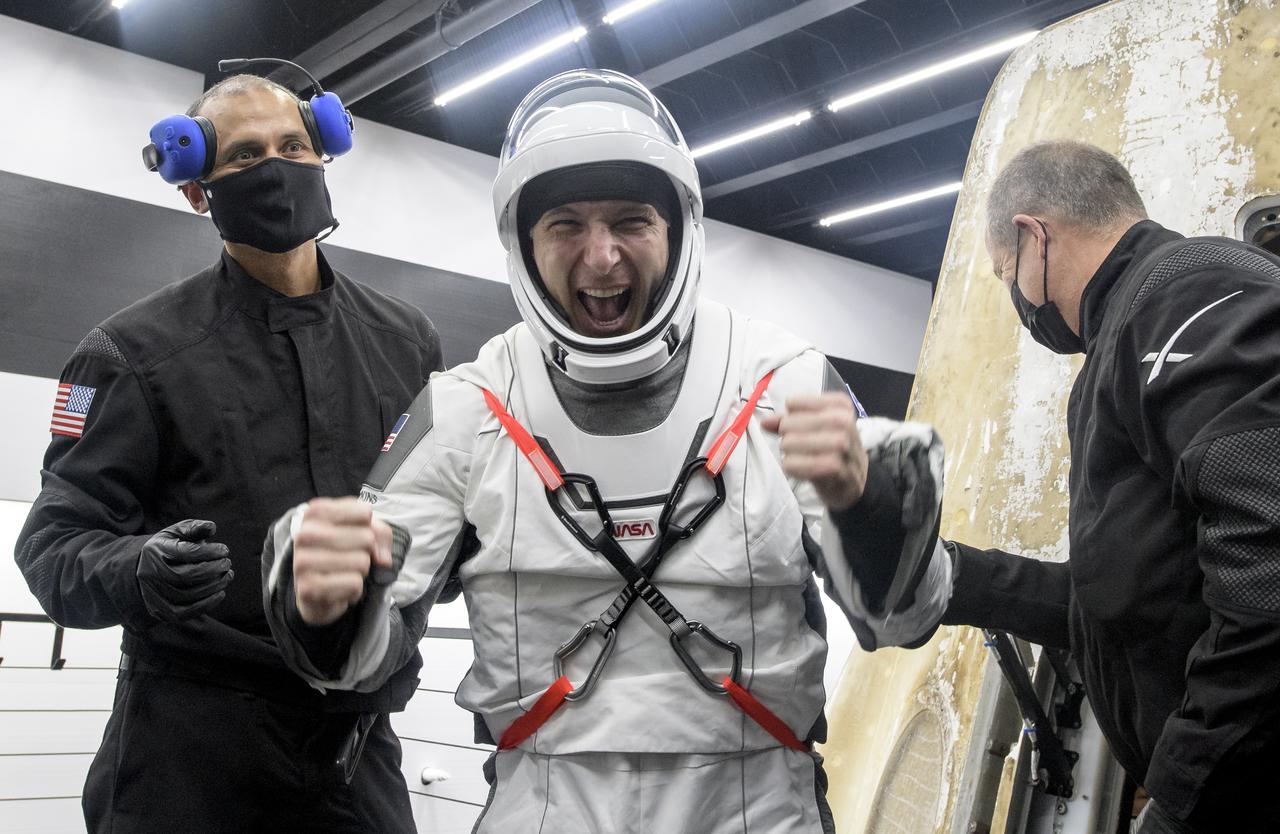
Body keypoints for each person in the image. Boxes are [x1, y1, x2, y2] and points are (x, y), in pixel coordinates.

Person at [259, 69, 949, 833]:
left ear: (678, 229)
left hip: (756, 805)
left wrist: (875, 509)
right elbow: (353, 665)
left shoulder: (784, 381)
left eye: (631, 220)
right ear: (522, 243)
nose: (601, 257)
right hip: (546, 801)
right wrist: (322, 604)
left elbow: (902, 621)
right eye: (565, 225)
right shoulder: (466, 408)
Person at [15, 69, 441, 833]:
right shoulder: (132, 353)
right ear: (195, 188)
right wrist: (137, 569)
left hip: (356, 756)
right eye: (245, 156)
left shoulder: (406, 343)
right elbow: (52, 545)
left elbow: (440, 515)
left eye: (292, 146)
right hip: (190, 761)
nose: (275, 167)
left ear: (325, 155)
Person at [864, 140, 1280, 832]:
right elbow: (1132, 590)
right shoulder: (1128, 336)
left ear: (1033, 238)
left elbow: (1269, 577)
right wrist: (948, 576)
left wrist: (1182, 798)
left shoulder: (1189, 296)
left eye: (1007, 275)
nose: (1018, 302)